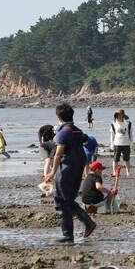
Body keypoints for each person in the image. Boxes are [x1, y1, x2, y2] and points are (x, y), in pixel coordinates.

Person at [41, 103, 95, 244]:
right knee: (69, 200)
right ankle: (87, 222)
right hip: (78, 166)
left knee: (61, 201)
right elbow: (85, 140)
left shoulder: (63, 132)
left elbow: (58, 154)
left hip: (66, 169)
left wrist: (52, 172)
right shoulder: (77, 130)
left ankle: (68, 234)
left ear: (59, 117)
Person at [110, 110, 133, 177]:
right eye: (118, 115)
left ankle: (128, 172)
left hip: (126, 143)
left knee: (127, 159)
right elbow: (112, 135)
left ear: (123, 115)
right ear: (116, 116)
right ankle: (114, 172)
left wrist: (131, 143)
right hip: (117, 143)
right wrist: (111, 144)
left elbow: (131, 133)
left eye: (120, 115)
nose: (119, 116)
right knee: (115, 159)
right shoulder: (113, 123)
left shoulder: (128, 123)